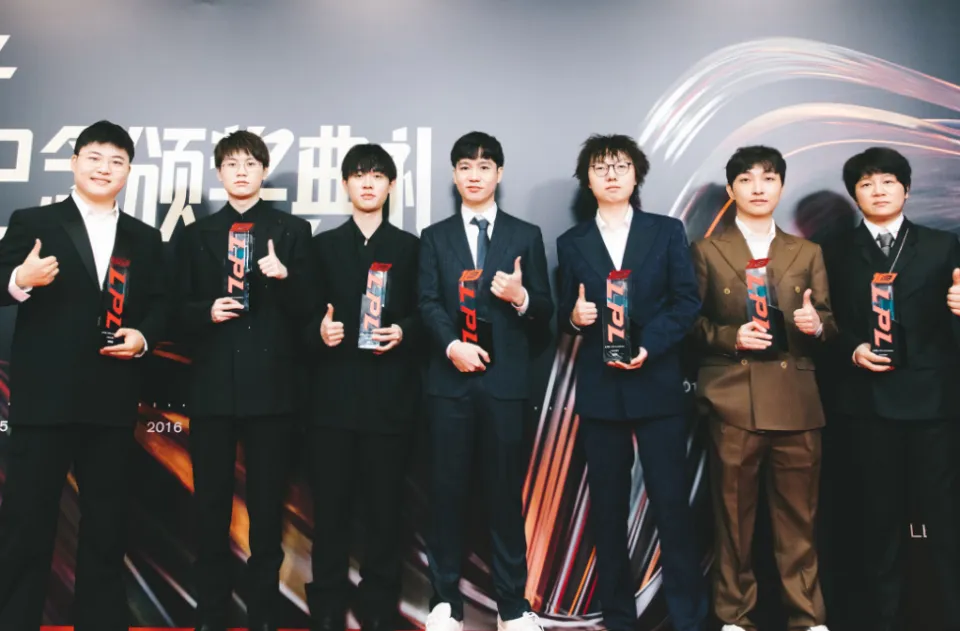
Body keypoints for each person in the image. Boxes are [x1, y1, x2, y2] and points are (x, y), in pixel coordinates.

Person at [0, 120, 167, 631]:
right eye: (94, 157)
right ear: (74, 162)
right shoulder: (34, 221)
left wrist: (143, 337)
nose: (104, 168)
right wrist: (19, 279)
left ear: (128, 172)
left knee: (106, 530)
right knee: (27, 526)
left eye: (117, 161)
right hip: (43, 401)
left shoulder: (145, 237)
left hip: (111, 401)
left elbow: (161, 304)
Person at [555, 133, 707, 631]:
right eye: (601, 167)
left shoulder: (666, 231)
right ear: (587, 180)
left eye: (621, 166)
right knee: (607, 512)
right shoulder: (571, 242)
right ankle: (619, 618)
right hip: (602, 390)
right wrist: (576, 317)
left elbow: (686, 302)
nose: (612, 175)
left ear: (637, 175)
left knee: (672, 507)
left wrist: (649, 346)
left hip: (657, 381)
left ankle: (688, 618)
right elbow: (565, 311)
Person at [173, 130, 313, 631]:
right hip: (212, 389)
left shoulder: (292, 230)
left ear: (263, 171)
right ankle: (210, 615)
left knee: (267, 512)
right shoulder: (195, 235)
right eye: (231, 164)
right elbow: (172, 311)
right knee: (210, 508)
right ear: (219, 173)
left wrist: (285, 278)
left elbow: (311, 313)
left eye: (250, 163)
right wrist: (205, 311)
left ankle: (264, 617)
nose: (240, 171)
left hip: (272, 391)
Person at [690, 145, 834, 631]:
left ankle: (808, 619)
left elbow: (830, 323)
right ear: (731, 190)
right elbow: (690, 323)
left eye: (768, 178)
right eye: (746, 179)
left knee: (800, 521)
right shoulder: (706, 250)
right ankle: (734, 618)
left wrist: (816, 325)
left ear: (781, 186)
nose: (758, 187)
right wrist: (732, 337)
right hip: (733, 399)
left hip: (797, 402)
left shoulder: (807, 251)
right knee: (733, 522)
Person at [418, 131, 553, 631]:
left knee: (504, 497)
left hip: (504, 385)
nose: (474, 176)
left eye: (484, 167)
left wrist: (521, 297)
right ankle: (445, 602)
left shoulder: (525, 235)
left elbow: (546, 311)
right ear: (454, 175)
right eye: (465, 167)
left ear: (499, 173)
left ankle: (512, 607)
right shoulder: (435, 237)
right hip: (449, 384)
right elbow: (427, 301)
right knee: (446, 493)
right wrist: (451, 345)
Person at [822, 146, 960, 631]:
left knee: (945, 522)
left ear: (906, 189)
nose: (878, 191)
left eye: (887, 181)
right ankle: (883, 620)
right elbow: (825, 323)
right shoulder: (832, 251)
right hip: (867, 405)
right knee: (876, 524)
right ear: (853, 195)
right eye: (866, 183)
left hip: (933, 404)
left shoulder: (944, 245)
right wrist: (852, 349)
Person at [304, 144, 421, 631]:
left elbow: (427, 313)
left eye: (377, 175)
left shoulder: (411, 248)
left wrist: (404, 331)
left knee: (385, 513)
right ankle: (327, 606)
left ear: (391, 185)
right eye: (358, 174)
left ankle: (378, 609)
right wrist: (319, 329)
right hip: (331, 402)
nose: (368, 182)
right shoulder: (322, 246)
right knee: (329, 512)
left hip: (389, 401)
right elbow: (301, 315)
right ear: (345, 185)